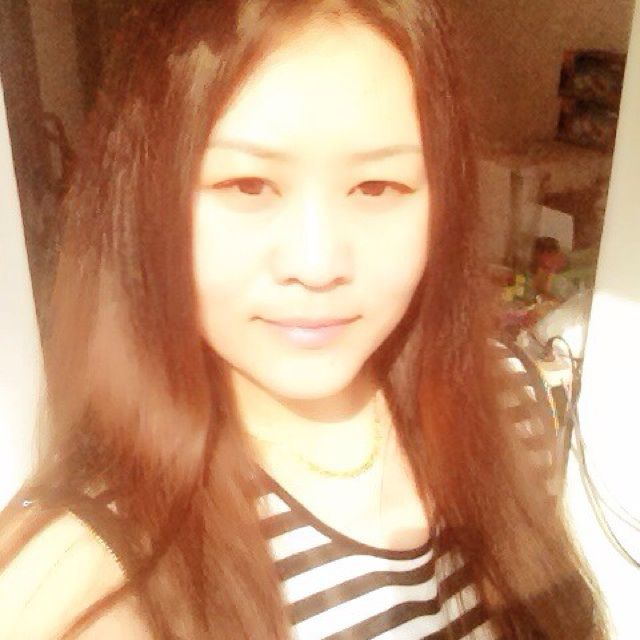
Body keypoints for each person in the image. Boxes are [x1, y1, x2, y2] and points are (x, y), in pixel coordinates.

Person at [0, 1, 607, 639]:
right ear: (145, 199)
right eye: (247, 185)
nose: (317, 266)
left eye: (377, 187)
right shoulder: (86, 576)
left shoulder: (510, 405)